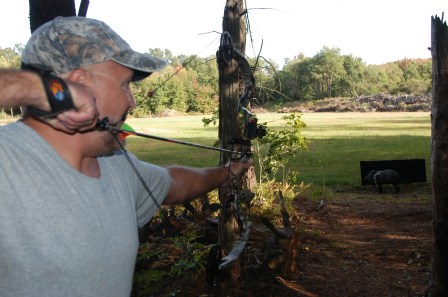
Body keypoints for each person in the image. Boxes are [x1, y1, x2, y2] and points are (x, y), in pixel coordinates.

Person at [0, 16, 251, 297]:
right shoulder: (8, 162)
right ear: (78, 84)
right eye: (123, 85)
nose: (131, 101)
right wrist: (42, 90)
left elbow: (174, 183)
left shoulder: (116, 164)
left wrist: (230, 170)